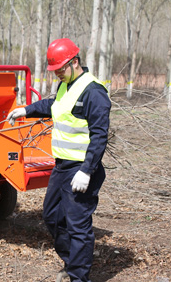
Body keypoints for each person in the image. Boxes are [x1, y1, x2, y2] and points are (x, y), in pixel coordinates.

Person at [7, 38, 111, 282]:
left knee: (78, 225)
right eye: (54, 72)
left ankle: (78, 276)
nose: (58, 75)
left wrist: (87, 170)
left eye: (60, 70)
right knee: (52, 216)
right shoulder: (67, 85)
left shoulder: (94, 91)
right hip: (62, 166)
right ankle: (71, 261)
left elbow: (99, 136)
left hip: (83, 169)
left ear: (74, 62)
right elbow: (55, 105)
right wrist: (27, 110)